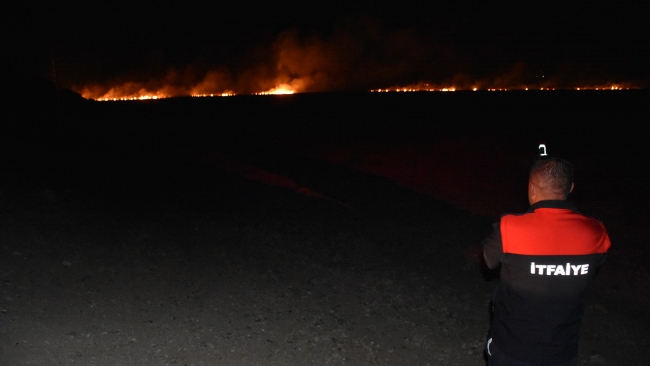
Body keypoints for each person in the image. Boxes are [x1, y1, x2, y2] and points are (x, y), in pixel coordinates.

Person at [483, 156, 611, 365]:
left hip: (511, 349)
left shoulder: (509, 228)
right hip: (562, 352)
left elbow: (489, 261)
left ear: (531, 188)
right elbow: (597, 263)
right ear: (570, 187)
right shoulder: (596, 231)